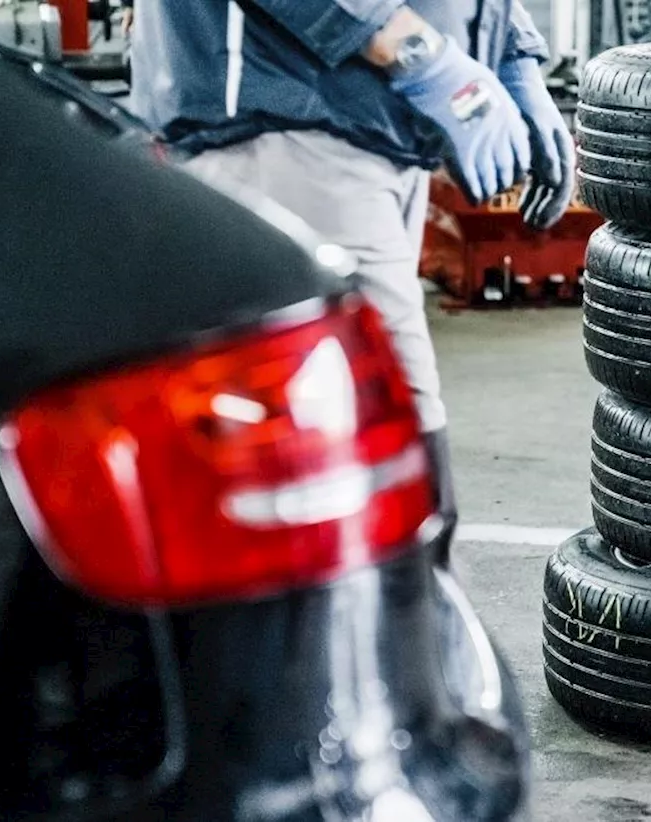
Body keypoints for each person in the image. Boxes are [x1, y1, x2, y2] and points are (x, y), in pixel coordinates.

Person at [127, 1, 576, 564]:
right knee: (359, 468)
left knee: (382, 459)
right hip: (287, 125)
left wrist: (513, 56)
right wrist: (423, 55)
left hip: (380, 134)